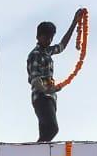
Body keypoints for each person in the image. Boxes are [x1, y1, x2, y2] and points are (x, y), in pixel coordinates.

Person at [27, 10, 84, 143]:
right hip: (42, 97)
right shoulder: (35, 54)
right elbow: (35, 80)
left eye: (51, 37)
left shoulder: (47, 52)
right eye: (46, 37)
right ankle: (35, 151)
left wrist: (74, 23)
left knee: (46, 132)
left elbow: (62, 45)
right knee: (52, 128)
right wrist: (49, 89)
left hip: (50, 97)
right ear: (38, 37)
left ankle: (39, 154)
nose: (49, 40)